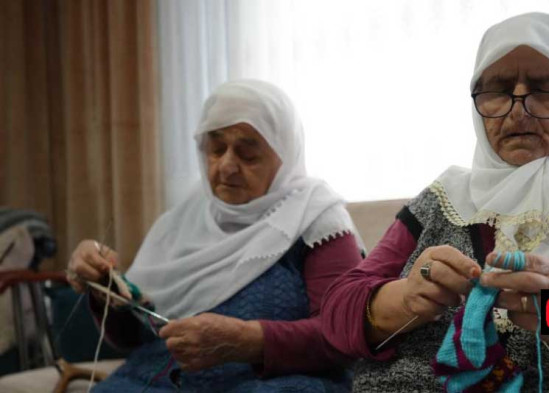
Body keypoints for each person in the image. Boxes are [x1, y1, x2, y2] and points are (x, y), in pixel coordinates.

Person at [322, 13, 549, 392]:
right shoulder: (444, 198)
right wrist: (407, 297)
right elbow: (338, 314)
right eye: (499, 91)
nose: (518, 110)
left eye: (544, 89)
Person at [67, 80, 363, 392]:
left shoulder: (317, 220)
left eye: (248, 155)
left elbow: (343, 336)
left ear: (285, 157)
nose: (226, 166)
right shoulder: (179, 223)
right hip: (152, 382)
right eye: (216, 149)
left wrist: (251, 341)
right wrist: (105, 288)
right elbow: (132, 338)